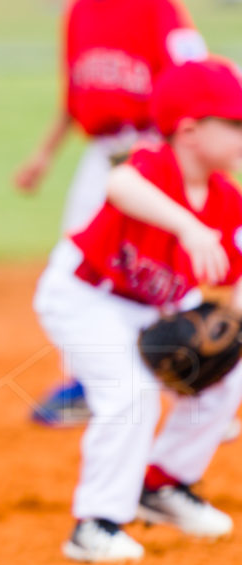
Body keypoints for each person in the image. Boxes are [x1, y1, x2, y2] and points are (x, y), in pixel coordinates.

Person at [33, 57, 242, 563]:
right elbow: (119, 187)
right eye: (235, 124)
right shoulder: (153, 164)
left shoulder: (226, 200)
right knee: (130, 392)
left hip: (151, 306)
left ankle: (161, 484)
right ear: (190, 131)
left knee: (229, 374)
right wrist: (187, 227)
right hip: (83, 295)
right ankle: (95, 525)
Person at [13, 0, 208, 426]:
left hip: (154, 147)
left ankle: (192, 383)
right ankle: (85, 380)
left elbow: (196, 77)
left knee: (161, 258)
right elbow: (74, 95)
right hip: (101, 152)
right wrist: (43, 155)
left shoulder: (158, 9)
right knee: (77, 257)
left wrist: (189, 157)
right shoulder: (80, 13)